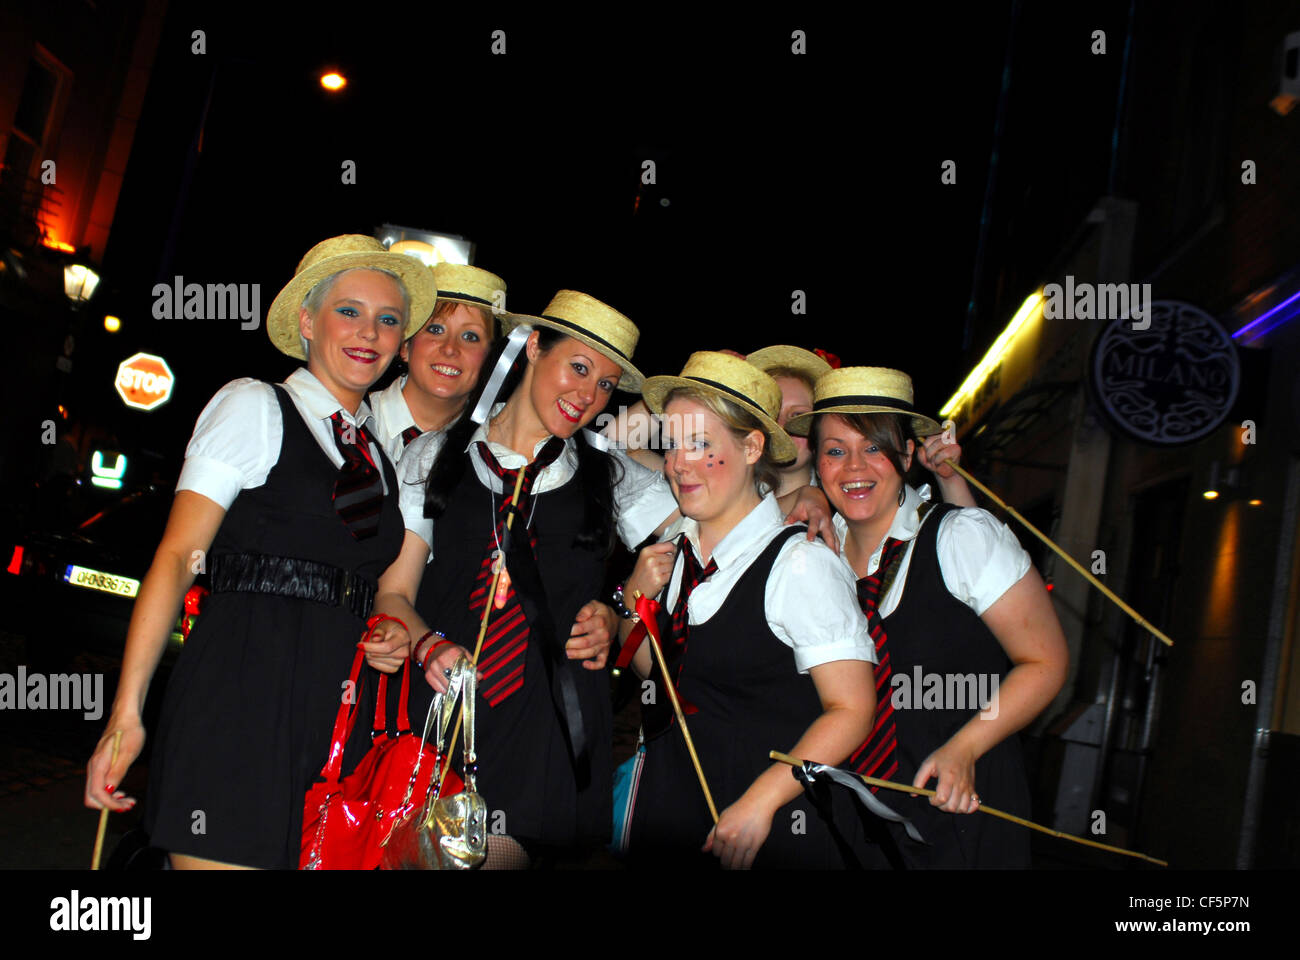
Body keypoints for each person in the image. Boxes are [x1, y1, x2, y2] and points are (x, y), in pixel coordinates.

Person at [373, 298, 841, 866]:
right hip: (440, 718)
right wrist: (426, 643)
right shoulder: (434, 456)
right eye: (578, 368)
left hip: (546, 734)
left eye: (606, 384)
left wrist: (807, 489)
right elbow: (394, 593)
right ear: (535, 347)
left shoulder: (610, 475)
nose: (588, 395)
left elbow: (722, 510)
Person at [83, 235, 435, 870]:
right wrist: (126, 713)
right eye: (348, 311)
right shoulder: (253, 405)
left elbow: (360, 585)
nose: (369, 332)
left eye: (388, 320)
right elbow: (177, 555)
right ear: (307, 321)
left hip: (336, 725)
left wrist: (380, 632)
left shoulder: (381, 459)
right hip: (238, 701)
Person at [786, 366, 1069, 868]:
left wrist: (965, 747)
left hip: (960, 810)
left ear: (909, 454)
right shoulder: (814, 557)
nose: (854, 466)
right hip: (849, 819)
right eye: (835, 450)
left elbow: (1045, 663)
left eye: (874, 446)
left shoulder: (962, 535)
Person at [623, 352, 878, 869]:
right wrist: (631, 607)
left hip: (769, 834)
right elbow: (667, 675)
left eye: (700, 444)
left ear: (752, 446)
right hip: (673, 820)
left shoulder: (800, 564)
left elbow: (852, 710)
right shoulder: (675, 558)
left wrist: (761, 803)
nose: (678, 463)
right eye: (672, 444)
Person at [368, 262, 502, 463]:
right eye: (436, 330)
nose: (450, 348)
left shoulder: (493, 452)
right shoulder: (350, 421)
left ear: (489, 360)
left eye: (470, 336)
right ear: (405, 345)